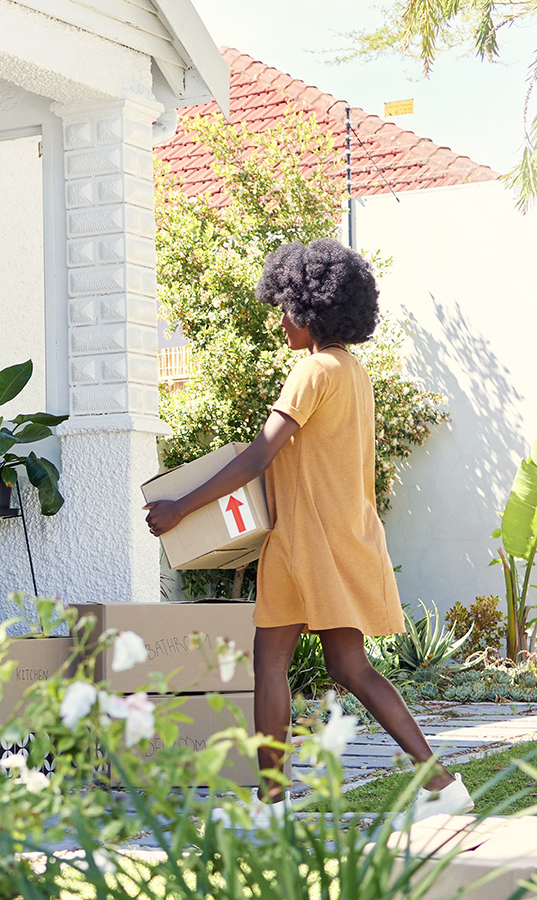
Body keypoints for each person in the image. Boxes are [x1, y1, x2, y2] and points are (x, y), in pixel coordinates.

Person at [144, 238, 472, 826]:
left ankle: (275, 806)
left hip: (311, 544)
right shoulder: (352, 370)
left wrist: (180, 508)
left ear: (311, 309)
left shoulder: (312, 371)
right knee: (323, 665)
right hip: (330, 539)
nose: (282, 323)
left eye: (287, 310)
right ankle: (438, 785)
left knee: (281, 666)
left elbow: (257, 458)